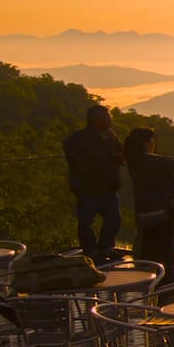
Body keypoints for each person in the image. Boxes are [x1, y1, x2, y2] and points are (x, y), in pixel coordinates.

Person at [120, 126, 174, 283]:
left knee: (148, 249)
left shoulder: (132, 162)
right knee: (165, 249)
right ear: (147, 143)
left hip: (143, 213)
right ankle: (167, 283)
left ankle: (148, 282)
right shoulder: (154, 161)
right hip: (161, 213)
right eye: (152, 141)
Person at [63, 102, 124, 261]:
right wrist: (83, 167)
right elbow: (70, 153)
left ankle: (105, 247)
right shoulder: (80, 138)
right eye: (106, 116)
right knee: (86, 222)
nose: (109, 119)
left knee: (114, 219)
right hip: (88, 187)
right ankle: (90, 251)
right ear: (96, 119)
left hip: (108, 187)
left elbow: (119, 152)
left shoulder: (110, 136)